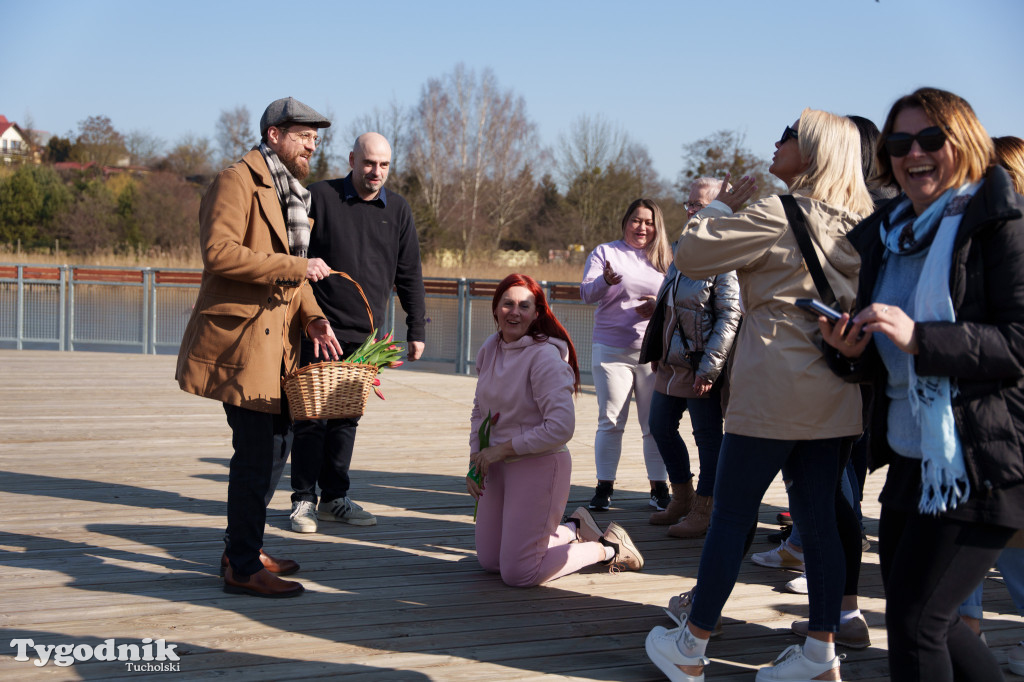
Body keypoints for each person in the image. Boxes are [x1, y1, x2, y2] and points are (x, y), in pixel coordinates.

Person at [645, 109, 874, 682]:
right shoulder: (867, 222)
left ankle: (691, 646)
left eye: (790, 134)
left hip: (772, 387)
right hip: (836, 391)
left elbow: (692, 257)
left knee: (731, 514)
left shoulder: (778, 212)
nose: (778, 141)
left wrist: (720, 207)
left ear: (814, 151)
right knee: (819, 520)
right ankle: (820, 655)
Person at [819, 88, 1024, 682]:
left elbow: (1017, 343)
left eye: (931, 139)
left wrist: (922, 338)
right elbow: (887, 359)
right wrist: (849, 354)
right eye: (900, 143)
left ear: (965, 144)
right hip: (915, 460)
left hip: (982, 458)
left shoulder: (998, 224)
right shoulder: (888, 236)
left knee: (917, 625)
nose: (915, 154)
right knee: (926, 620)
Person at [176, 97, 342, 598]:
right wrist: (296, 270)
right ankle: (243, 567)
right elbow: (219, 253)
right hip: (242, 341)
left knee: (275, 448)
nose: (313, 145)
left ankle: (242, 545)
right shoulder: (236, 180)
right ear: (274, 135)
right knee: (256, 453)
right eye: (304, 136)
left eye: (316, 139)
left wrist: (313, 317)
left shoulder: (291, 190)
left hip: (279, 345)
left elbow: (294, 266)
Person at [288, 132, 426, 533]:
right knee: (312, 417)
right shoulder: (320, 197)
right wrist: (309, 317)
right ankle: (303, 501)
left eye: (383, 165)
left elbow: (409, 275)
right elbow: (293, 257)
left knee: (347, 418)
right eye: (368, 163)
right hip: (319, 329)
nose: (375, 172)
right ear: (352, 159)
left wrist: (416, 328)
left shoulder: (398, 209)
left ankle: (335, 498)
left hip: (367, 338)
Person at [466, 274, 643, 586]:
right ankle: (573, 527)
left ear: (537, 314)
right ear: (495, 309)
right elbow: (480, 410)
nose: (514, 312)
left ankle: (606, 547)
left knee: (520, 573)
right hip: (496, 464)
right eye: (507, 303)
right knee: (491, 561)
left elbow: (561, 428)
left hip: (539, 465)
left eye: (524, 305)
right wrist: (475, 459)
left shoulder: (545, 356)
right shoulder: (490, 348)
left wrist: (503, 449)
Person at [640, 178, 740, 537]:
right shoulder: (683, 249)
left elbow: (730, 315)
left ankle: (705, 509)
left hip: (701, 366)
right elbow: (670, 305)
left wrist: (710, 368)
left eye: (698, 205)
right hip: (672, 363)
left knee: (708, 439)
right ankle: (681, 497)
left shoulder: (727, 253)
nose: (690, 211)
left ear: (720, 207)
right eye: (689, 204)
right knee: (660, 426)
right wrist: (658, 349)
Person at [580, 198, 673, 512]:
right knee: (610, 422)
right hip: (611, 351)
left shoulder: (667, 259)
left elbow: (680, 301)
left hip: (653, 354)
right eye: (636, 220)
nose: (642, 227)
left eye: (648, 222)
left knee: (654, 425)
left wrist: (659, 304)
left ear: (656, 226)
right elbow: (586, 293)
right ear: (625, 222)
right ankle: (604, 488)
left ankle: (659, 488)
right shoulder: (606, 253)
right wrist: (605, 281)